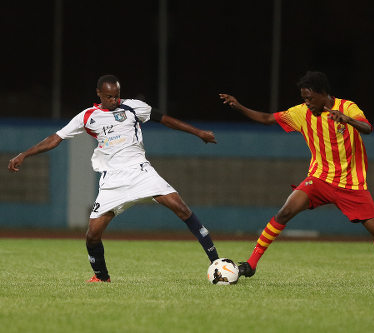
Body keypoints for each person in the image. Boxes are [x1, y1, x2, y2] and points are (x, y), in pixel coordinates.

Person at [8, 74, 220, 282]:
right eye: (109, 96)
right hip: (112, 181)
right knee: (92, 234)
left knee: (181, 208)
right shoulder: (88, 116)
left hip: (141, 172)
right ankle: (102, 277)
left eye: (117, 95)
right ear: (99, 94)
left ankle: (217, 262)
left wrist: (198, 132)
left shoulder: (133, 107)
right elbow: (56, 138)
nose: (114, 100)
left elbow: (166, 119)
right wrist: (24, 154)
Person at [220, 71, 374, 284]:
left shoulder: (347, 107)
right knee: (285, 212)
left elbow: (367, 128)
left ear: (324, 94)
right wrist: (239, 107)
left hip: (351, 184)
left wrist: (347, 120)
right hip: (319, 179)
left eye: (310, 98)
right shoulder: (301, 113)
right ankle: (252, 263)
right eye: (304, 98)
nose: (307, 103)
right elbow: (267, 118)